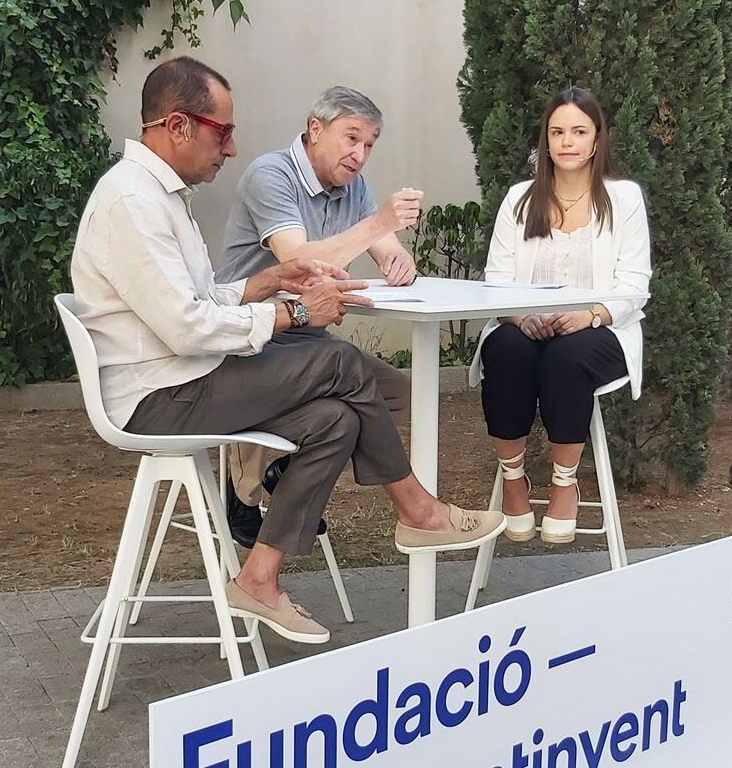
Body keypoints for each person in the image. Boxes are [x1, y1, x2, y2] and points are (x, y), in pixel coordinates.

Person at [66, 57, 502, 645]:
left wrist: (269, 282)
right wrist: (294, 312)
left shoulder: (160, 196)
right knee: (342, 363)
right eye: (222, 132)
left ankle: (260, 577)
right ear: (177, 126)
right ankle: (418, 511)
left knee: (337, 418)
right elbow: (186, 327)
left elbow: (199, 297)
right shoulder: (132, 202)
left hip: (185, 375)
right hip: (158, 393)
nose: (231, 146)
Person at [215, 86, 423, 547]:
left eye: (369, 144)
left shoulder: (354, 187)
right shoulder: (270, 174)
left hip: (309, 335)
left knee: (394, 392)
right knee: (340, 386)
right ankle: (243, 489)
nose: (360, 154)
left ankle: (282, 471)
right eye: (351, 138)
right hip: (255, 330)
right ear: (315, 129)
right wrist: (380, 224)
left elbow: (386, 249)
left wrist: (397, 260)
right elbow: (297, 259)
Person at [471, 87, 651, 545]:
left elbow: (635, 285)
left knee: (565, 358)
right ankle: (513, 478)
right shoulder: (519, 198)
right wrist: (518, 315)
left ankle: (563, 484)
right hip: (523, 324)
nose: (567, 141)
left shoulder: (623, 198)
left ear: (596, 140)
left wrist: (591, 313)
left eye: (578, 131)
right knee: (505, 349)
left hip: (599, 329)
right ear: (545, 142)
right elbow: (497, 279)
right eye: (557, 132)